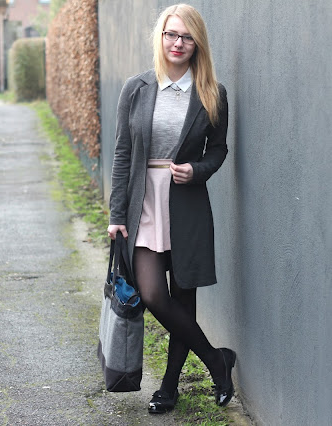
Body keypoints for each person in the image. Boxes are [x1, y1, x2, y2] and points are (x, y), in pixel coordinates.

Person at [107, 3, 235, 414]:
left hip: (186, 205)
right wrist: (116, 214)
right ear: (160, 37)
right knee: (152, 295)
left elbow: (218, 150)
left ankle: (168, 387)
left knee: (183, 299)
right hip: (142, 203)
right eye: (171, 34)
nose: (178, 43)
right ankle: (217, 360)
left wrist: (197, 171)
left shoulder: (212, 93)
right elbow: (122, 154)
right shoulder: (137, 88)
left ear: (198, 43)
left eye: (186, 37)